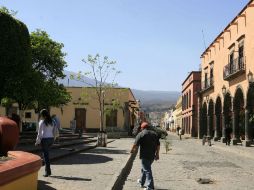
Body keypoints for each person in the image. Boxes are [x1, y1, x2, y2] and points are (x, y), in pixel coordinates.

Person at [130, 122, 160, 190]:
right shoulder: (154, 134)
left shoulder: (141, 134)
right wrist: (157, 154)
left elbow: (135, 144)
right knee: (145, 168)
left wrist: (132, 150)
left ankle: (150, 186)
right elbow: (158, 145)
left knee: (147, 170)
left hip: (144, 155)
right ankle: (141, 181)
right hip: (152, 155)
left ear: (142, 128)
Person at [35, 109, 58, 177]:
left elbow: (40, 133)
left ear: (42, 115)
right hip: (51, 139)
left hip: (45, 139)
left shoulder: (42, 122)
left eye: (41, 115)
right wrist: (54, 139)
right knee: (46, 155)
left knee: (46, 156)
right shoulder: (52, 121)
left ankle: (47, 172)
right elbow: (55, 131)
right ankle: (48, 171)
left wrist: (37, 141)